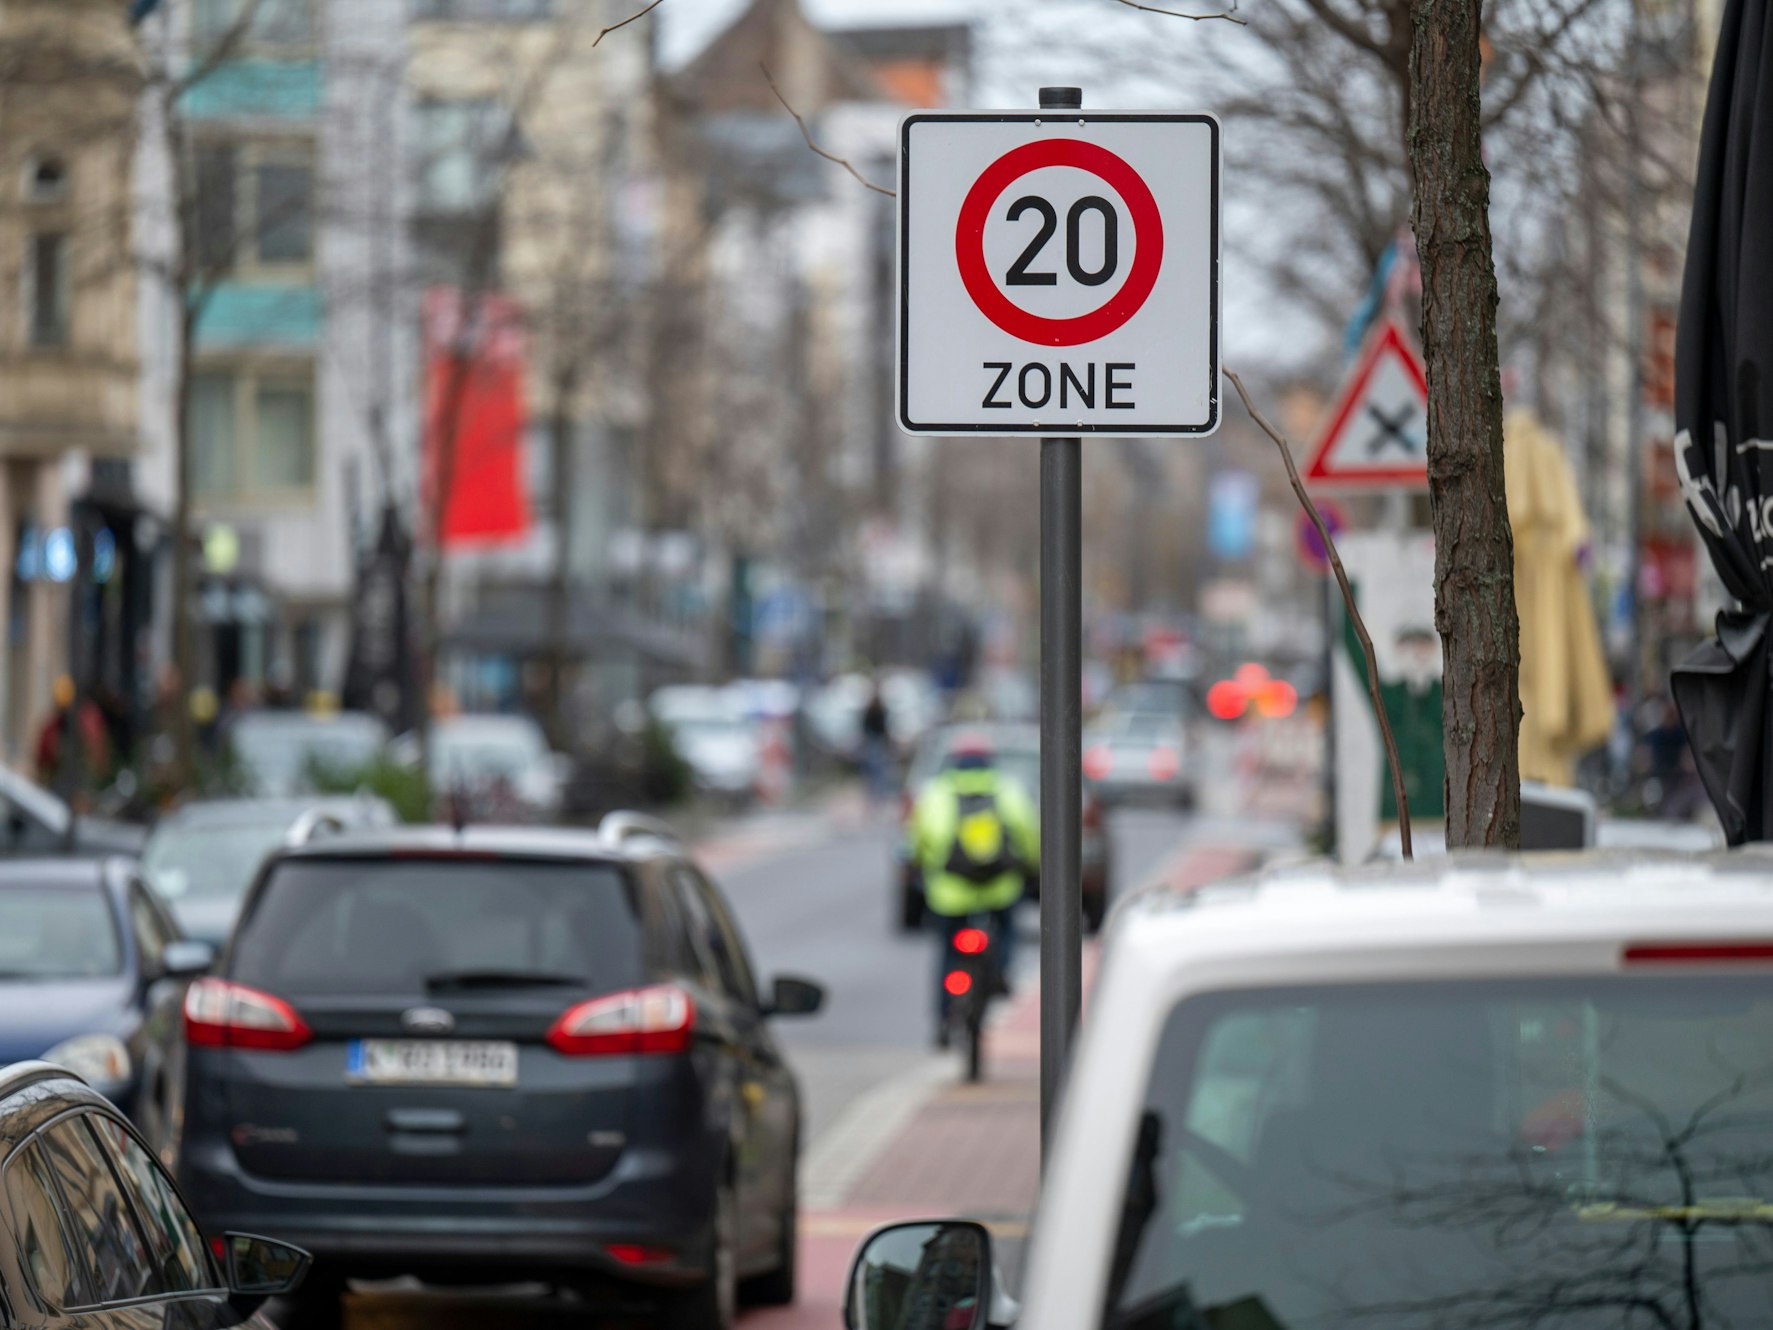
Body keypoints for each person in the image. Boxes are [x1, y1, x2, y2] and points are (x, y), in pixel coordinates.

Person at [907, 735, 1038, 1047]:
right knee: (1005, 929)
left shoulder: (936, 793)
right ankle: (1000, 974)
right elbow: (1028, 835)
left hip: (949, 893)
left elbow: (920, 841)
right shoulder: (1008, 790)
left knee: (947, 956)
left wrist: (921, 868)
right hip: (998, 889)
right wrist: (1030, 868)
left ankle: (942, 1021)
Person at [860, 682, 893, 804]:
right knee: (877, 771)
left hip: (875, 743)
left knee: (876, 771)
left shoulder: (876, 710)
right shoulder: (874, 710)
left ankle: (876, 795)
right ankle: (876, 795)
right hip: (875, 743)